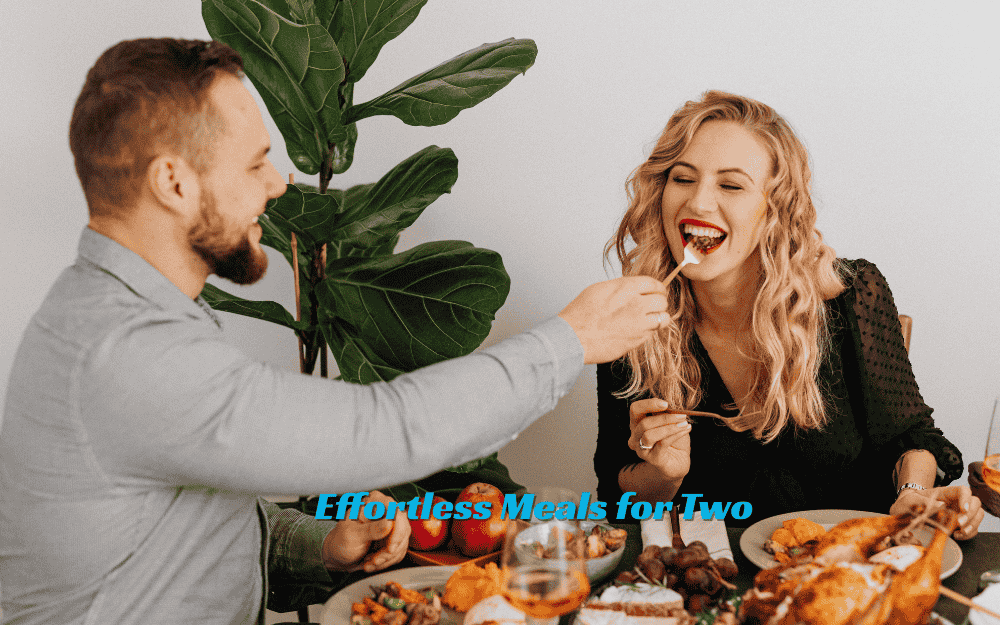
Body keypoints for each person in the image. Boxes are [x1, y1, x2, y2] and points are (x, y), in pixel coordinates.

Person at [0, 38, 672, 625]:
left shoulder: (119, 316)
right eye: (254, 163)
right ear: (173, 183)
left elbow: (184, 523)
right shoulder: (125, 351)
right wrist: (573, 338)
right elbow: (382, 429)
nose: (277, 183)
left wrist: (319, 545)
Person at [594, 90, 984, 539]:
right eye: (683, 179)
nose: (698, 203)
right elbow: (616, 501)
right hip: (721, 574)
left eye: (731, 185)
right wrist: (663, 475)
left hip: (855, 565)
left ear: (775, 208)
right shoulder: (630, 322)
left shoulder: (849, 295)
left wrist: (912, 492)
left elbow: (910, 438)